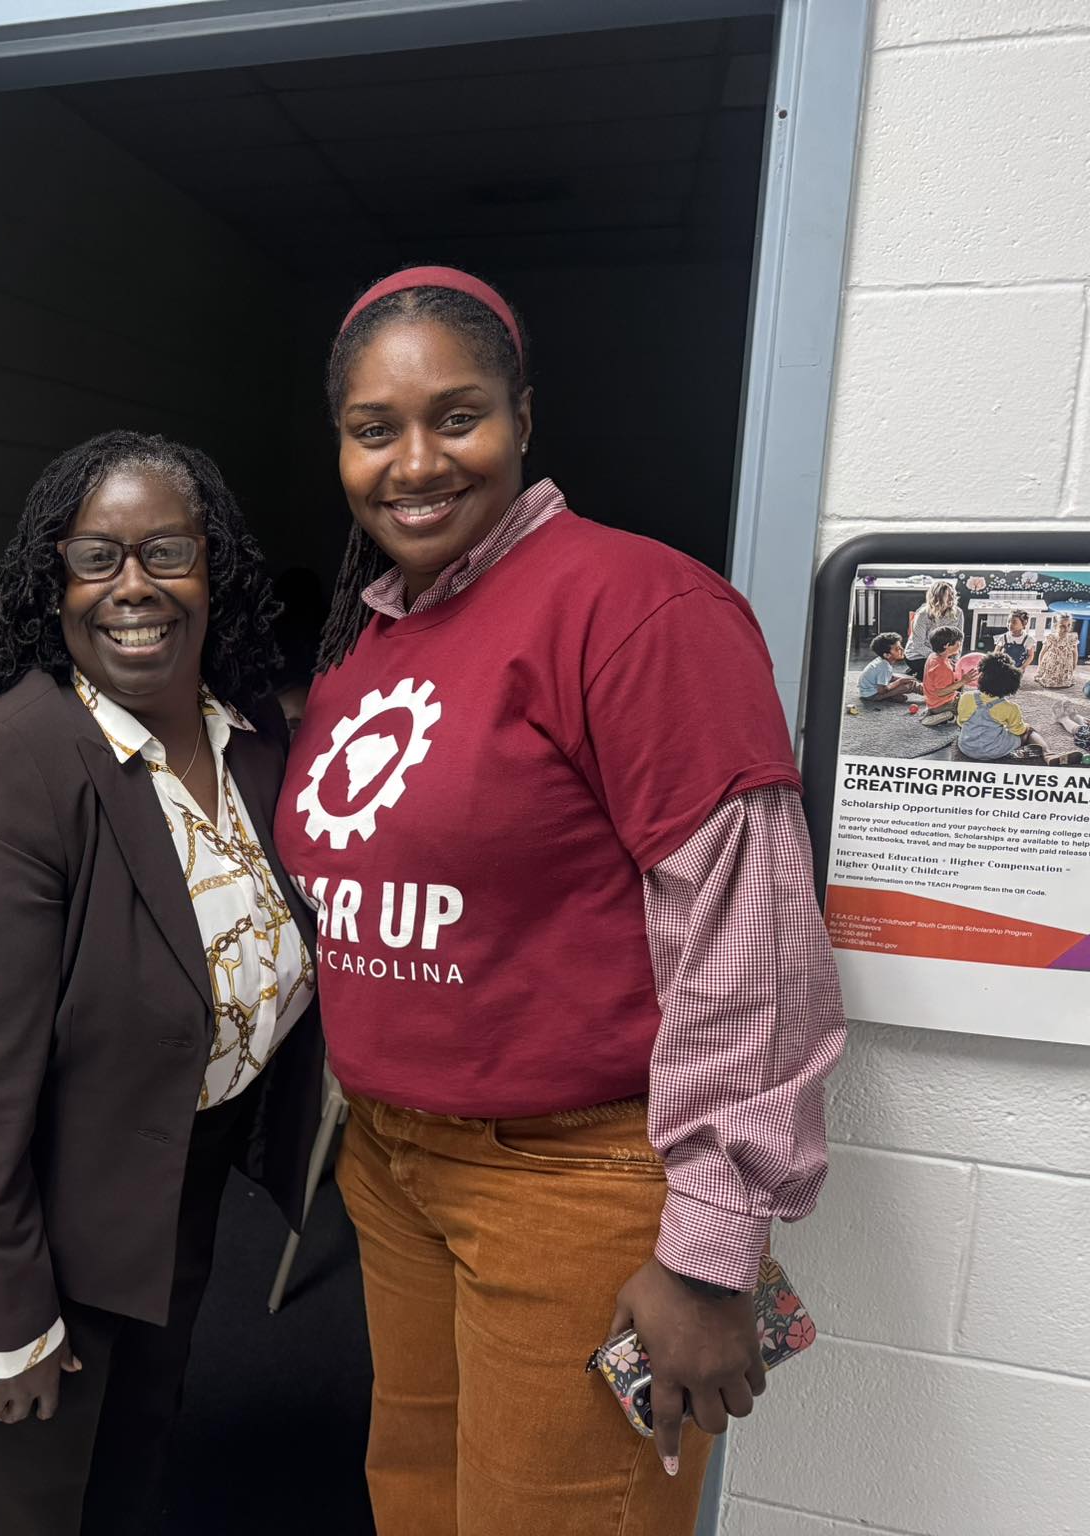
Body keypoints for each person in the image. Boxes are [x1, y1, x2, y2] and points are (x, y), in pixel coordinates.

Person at [276, 266, 846, 1536]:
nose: (413, 461)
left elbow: (743, 944)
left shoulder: (638, 608)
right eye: (373, 430)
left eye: (455, 415)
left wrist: (708, 1251)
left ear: (523, 417)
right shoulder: (369, 637)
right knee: (416, 1498)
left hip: (570, 1185)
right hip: (394, 1163)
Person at [0, 430, 323, 1536]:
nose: (133, 587)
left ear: (216, 569)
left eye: (165, 551)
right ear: (49, 584)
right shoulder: (11, 769)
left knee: (126, 1484)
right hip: (25, 1219)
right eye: (95, 558)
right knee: (13, 1509)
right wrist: (4, 1316)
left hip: (168, 1196)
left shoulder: (251, 743)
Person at [955, 653, 1077, 763]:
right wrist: (1024, 728)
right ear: (1011, 686)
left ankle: (1009, 749)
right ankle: (1048, 754)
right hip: (994, 751)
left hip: (966, 748)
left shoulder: (966, 697)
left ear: (981, 676)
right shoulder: (1010, 708)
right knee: (1029, 731)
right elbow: (1018, 731)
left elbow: (961, 722)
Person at [904, 581, 959, 679]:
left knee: (953, 674)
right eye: (947, 595)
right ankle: (916, 673)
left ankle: (919, 673)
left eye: (952, 594)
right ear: (937, 597)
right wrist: (941, 659)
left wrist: (955, 661)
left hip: (943, 654)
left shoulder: (958, 613)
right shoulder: (923, 614)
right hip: (918, 655)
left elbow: (958, 640)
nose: (952, 598)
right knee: (941, 676)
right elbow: (918, 645)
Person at [857, 632, 922, 701]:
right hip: (872, 695)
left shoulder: (882, 661)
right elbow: (881, 690)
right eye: (897, 649)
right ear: (887, 655)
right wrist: (900, 681)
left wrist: (906, 679)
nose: (902, 649)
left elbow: (890, 677)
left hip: (866, 692)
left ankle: (892, 696)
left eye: (901, 646)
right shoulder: (884, 667)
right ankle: (932, 693)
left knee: (907, 680)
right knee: (909, 686)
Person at [920, 625, 965, 722]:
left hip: (932, 701)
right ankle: (940, 714)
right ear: (947, 645)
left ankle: (932, 710)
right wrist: (963, 681)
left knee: (963, 695)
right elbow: (940, 692)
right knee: (971, 704)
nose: (960, 644)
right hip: (942, 704)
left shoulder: (933, 656)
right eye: (959, 642)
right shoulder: (942, 667)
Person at [1032, 613, 1081, 689]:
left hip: (1066, 665)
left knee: (1065, 679)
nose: (1066, 628)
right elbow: (1043, 652)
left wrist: (1074, 664)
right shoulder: (1051, 637)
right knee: (1049, 680)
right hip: (1052, 665)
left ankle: (1063, 679)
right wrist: (1040, 666)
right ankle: (1049, 677)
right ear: (1055, 626)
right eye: (1062, 626)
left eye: (1068, 625)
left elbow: (1075, 653)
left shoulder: (1072, 638)